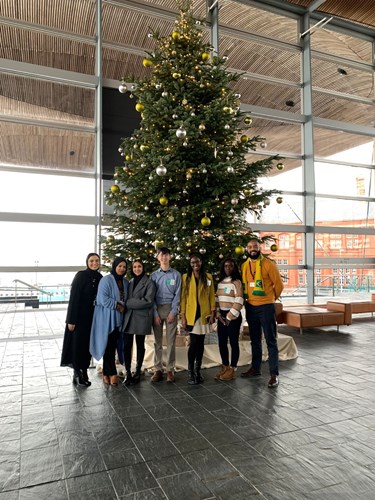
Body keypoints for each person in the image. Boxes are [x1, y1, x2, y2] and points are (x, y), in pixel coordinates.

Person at [240, 238, 284, 388]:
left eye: (255, 246)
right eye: (250, 246)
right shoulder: (244, 266)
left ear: (260, 248)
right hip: (251, 307)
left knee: (271, 341)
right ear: (246, 249)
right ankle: (255, 368)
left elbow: (278, 285)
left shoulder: (268, 264)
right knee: (255, 340)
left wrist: (270, 298)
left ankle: (274, 374)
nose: (253, 249)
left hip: (266, 307)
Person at [61, 253, 102, 387]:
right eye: (91, 261)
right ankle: (77, 374)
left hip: (92, 318)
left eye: (97, 261)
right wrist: (71, 320)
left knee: (87, 346)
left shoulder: (100, 278)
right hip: (79, 317)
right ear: (87, 262)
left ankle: (84, 371)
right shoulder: (80, 276)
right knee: (77, 346)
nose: (94, 263)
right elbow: (73, 299)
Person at [90, 256, 129, 386]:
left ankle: (107, 373)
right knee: (109, 346)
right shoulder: (106, 280)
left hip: (119, 319)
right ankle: (112, 373)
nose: (122, 269)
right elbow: (102, 298)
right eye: (119, 266)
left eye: (124, 267)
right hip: (107, 318)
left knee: (112, 346)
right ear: (115, 266)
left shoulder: (125, 282)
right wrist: (118, 306)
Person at [180, 254, 216, 385]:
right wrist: (182, 315)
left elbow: (212, 295)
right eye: (192, 262)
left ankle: (198, 370)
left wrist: (213, 312)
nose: (195, 264)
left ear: (201, 262)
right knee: (194, 342)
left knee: (201, 343)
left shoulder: (208, 277)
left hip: (204, 314)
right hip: (191, 314)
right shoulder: (185, 278)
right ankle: (190, 372)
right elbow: (183, 298)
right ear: (190, 264)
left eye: (198, 261)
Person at [121, 259, 156, 386]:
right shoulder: (129, 282)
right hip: (129, 318)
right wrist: (132, 302)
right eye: (135, 267)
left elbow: (148, 301)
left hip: (141, 318)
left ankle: (137, 372)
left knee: (140, 345)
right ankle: (128, 372)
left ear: (143, 268)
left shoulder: (149, 283)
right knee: (126, 346)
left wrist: (129, 303)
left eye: (139, 266)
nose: (137, 269)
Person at [150, 247, 181, 383]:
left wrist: (173, 312)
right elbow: (150, 296)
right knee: (157, 341)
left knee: (170, 342)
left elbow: (178, 295)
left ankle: (170, 369)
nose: (164, 258)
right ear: (158, 258)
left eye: (166, 255)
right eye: (161, 255)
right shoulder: (153, 276)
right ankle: (158, 369)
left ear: (170, 257)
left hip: (170, 308)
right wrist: (155, 313)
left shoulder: (176, 275)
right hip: (157, 308)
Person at [215, 258, 244, 381]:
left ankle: (233, 369)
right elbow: (216, 299)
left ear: (234, 268)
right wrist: (218, 314)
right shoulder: (220, 283)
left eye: (231, 266)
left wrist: (229, 317)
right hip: (221, 316)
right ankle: (225, 366)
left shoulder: (236, 282)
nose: (228, 268)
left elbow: (239, 299)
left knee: (233, 343)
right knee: (222, 343)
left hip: (233, 317)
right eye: (226, 266)